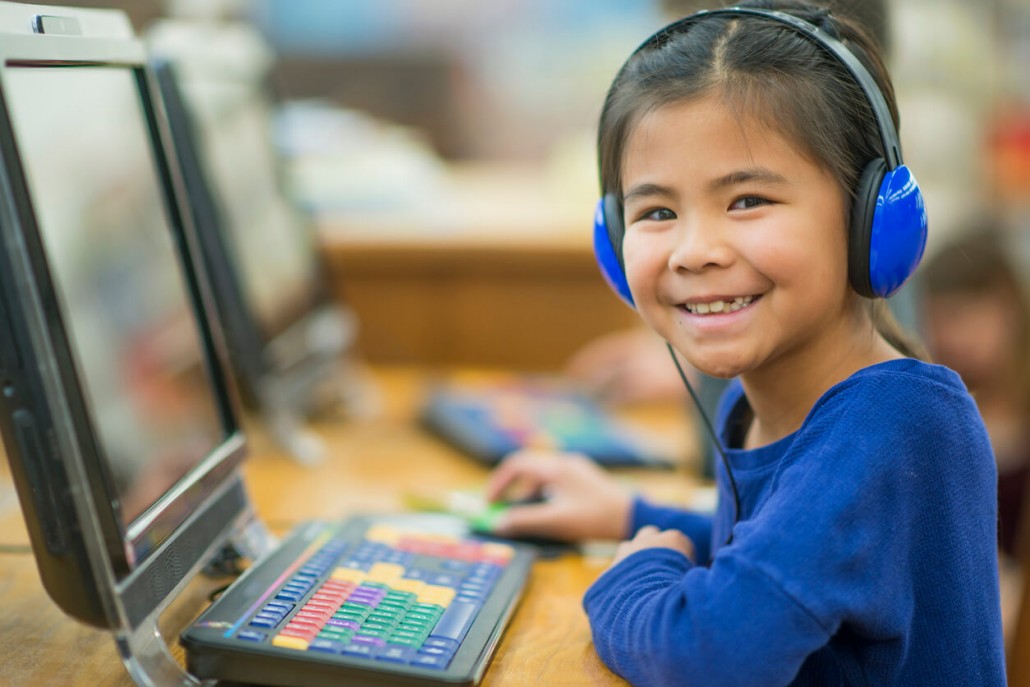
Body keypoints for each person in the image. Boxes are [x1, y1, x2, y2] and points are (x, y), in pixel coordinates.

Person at [485, 1, 1006, 684]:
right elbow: (788, 556)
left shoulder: (895, 426)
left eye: (748, 200)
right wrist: (633, 514)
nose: (695, 251)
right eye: (657, 212)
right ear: (613, 243)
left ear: (867, 217)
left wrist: (638, 571)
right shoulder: (763, 398)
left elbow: (705, 653)